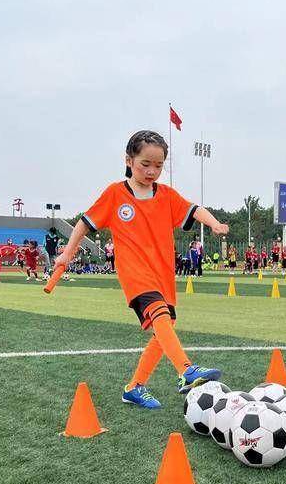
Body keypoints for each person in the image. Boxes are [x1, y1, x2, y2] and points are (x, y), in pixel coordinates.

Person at [53, 129, 228, 409]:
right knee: (159, 316)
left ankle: (134, 387)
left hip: (163, 274)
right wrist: (67, 254)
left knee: (164, 330)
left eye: (158, 166)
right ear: (129, 160)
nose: (152, 171)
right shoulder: (114, 194)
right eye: (145, 164)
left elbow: (194, 209)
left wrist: (215, 224)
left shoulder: (167, 195)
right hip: (135, 273)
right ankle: (186, 370)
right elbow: (85, 223)